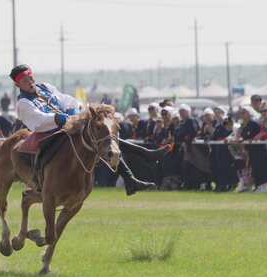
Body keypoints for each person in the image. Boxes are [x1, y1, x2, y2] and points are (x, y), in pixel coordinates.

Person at [10, 64, 159, 196]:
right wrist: (56, 118)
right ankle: (39, 178)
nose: (30, 82)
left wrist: (75, 109)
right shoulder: (23, 102)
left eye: (30, 78)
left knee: (101, 138)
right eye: (25, 81)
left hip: (70, 123)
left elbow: (65, 99)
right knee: (45, 151)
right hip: (50, 131)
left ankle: (132, 177)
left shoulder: (45, 87)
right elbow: (37, 120)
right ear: (18, 85)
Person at [239, 106, 267, 192]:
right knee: (255, 169)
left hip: (259, 150)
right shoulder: (244, 125)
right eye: (241, 113)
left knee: (261, 168)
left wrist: (253, 139)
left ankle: (263, 187)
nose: (242, 114)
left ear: (249, 114)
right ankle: (257, 186)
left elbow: (263, 132)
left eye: (244, 112)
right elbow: (244, 136)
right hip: (251, 151)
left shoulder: (255, 123)